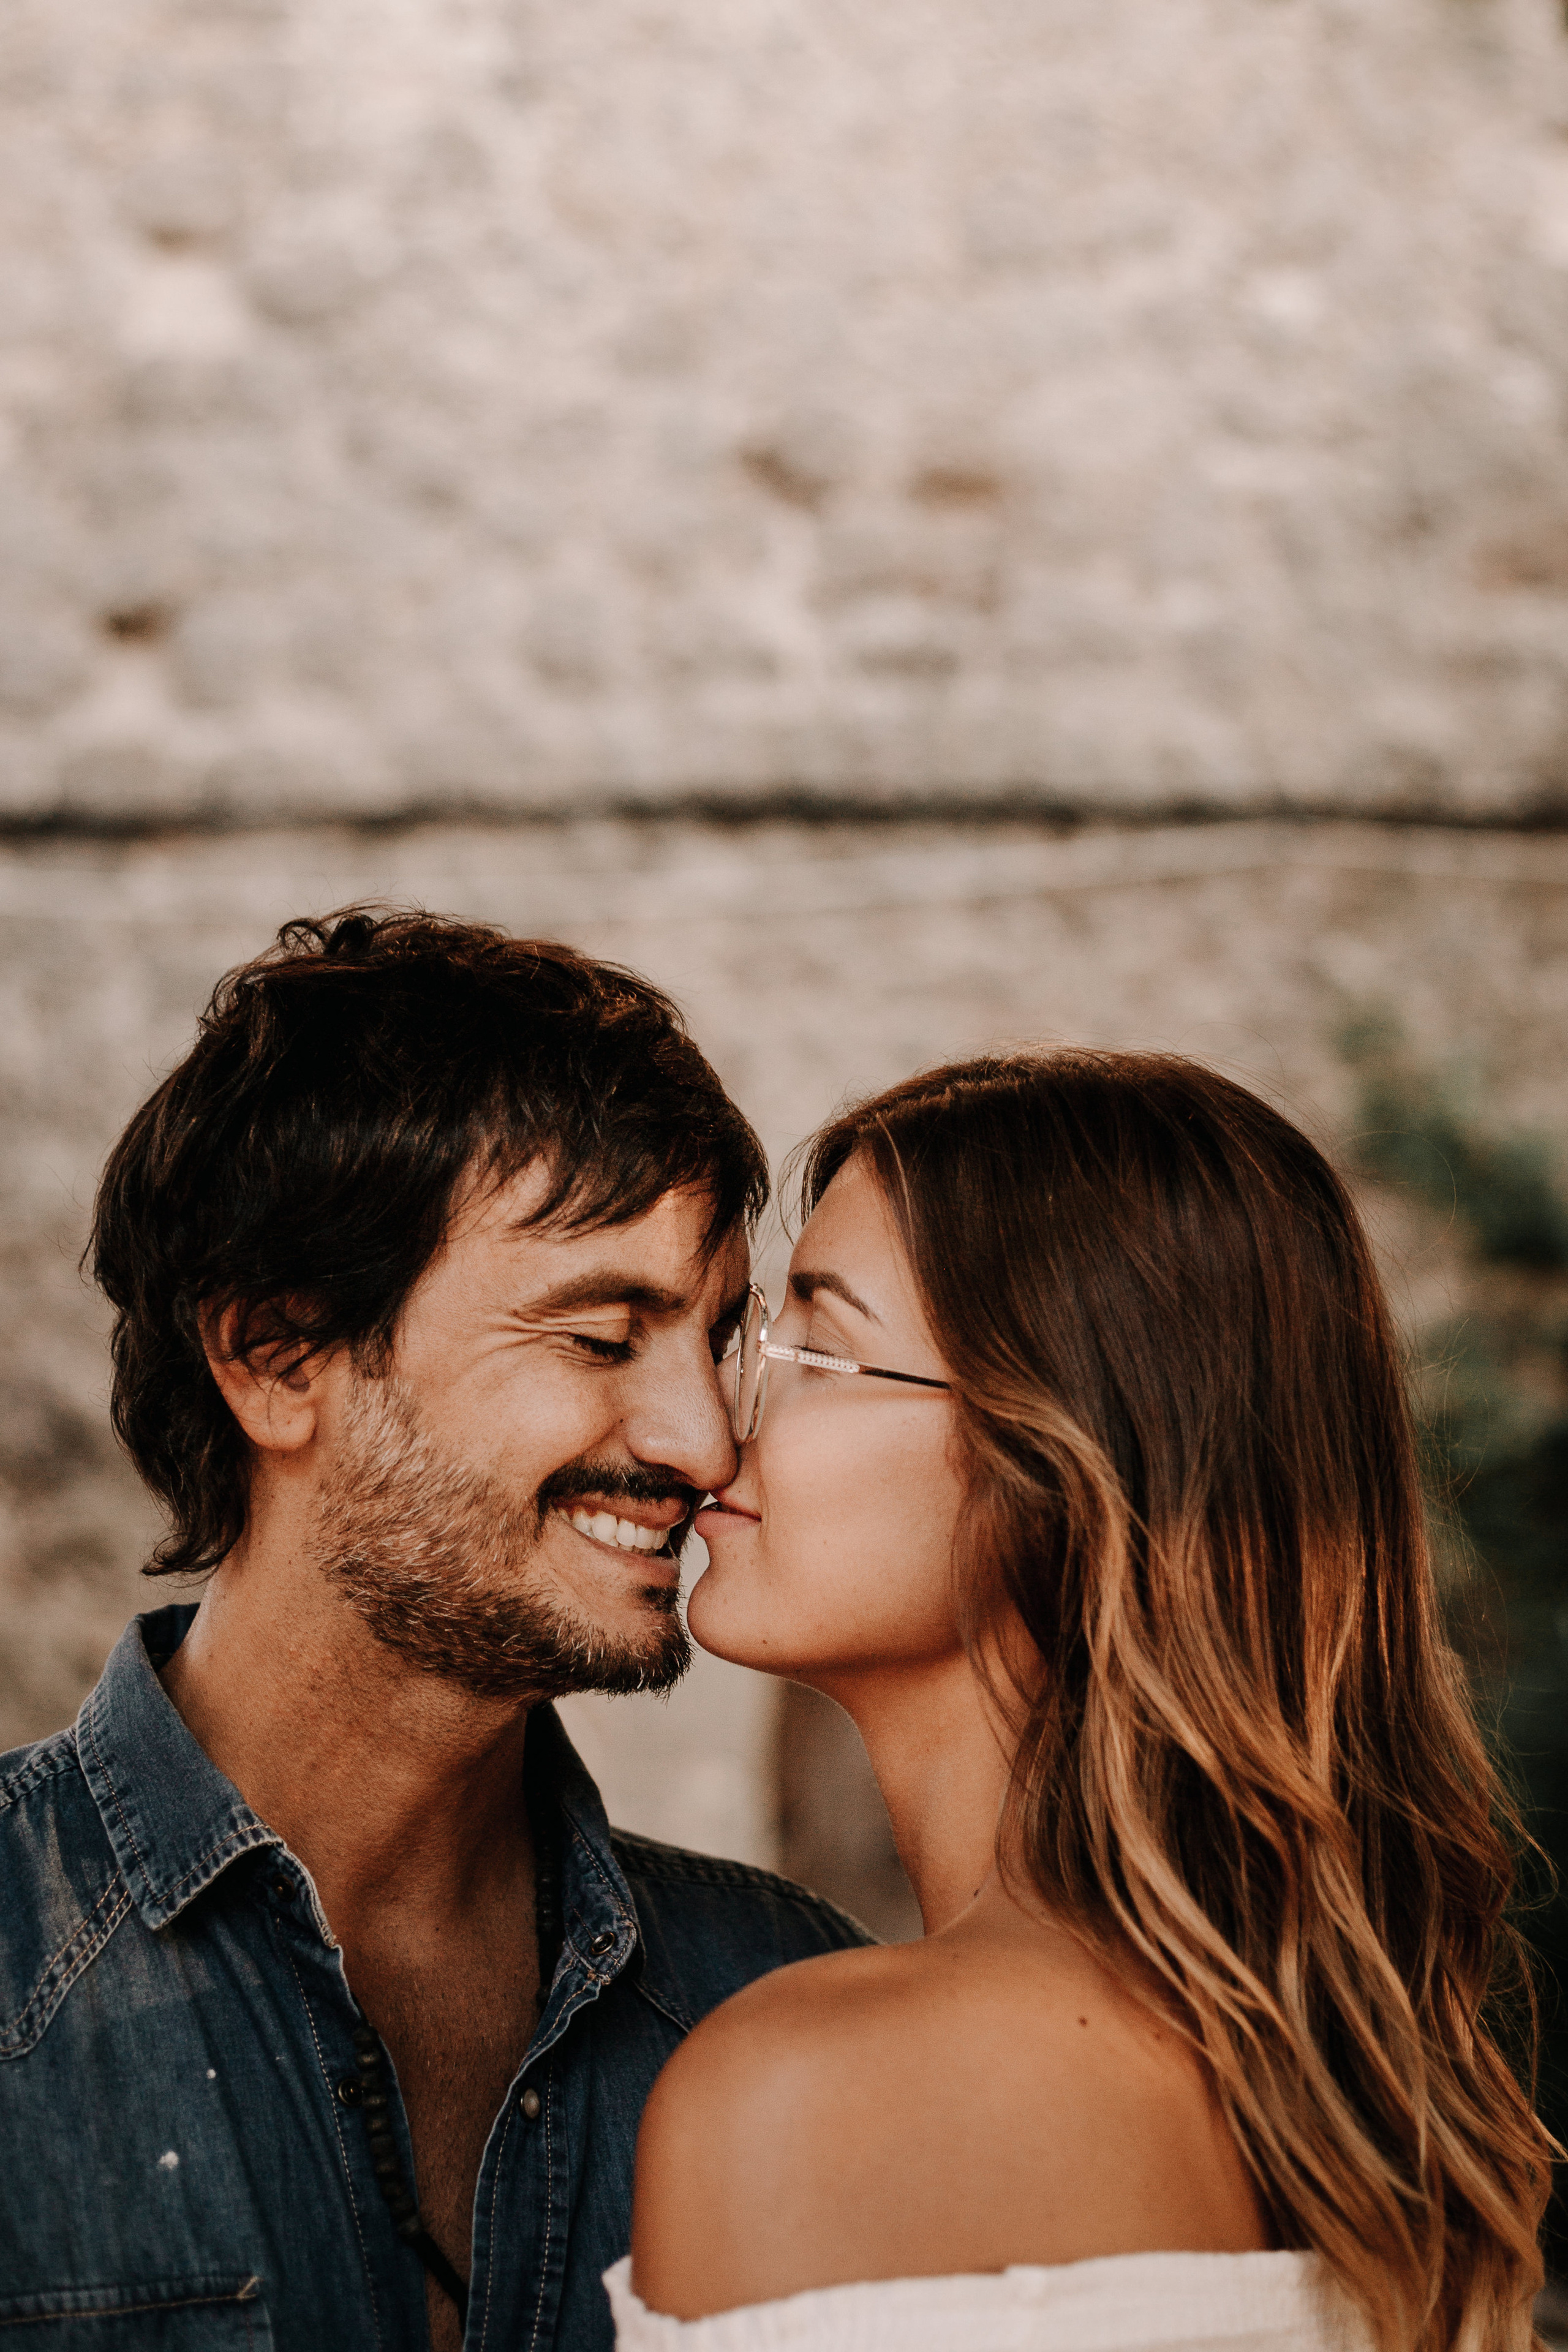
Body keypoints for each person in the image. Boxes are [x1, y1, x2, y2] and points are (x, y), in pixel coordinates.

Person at [0, 908, 867, 2352]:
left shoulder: (786, 1994)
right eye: (599, 1338)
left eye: (716, 1340)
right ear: (277, 1359)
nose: (705, 1442)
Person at [615, 1052, 1552, 2352]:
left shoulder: (803, 2088)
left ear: (1053, 1465)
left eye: (817, 1352)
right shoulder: (1369, 2102)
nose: (714, 1431)